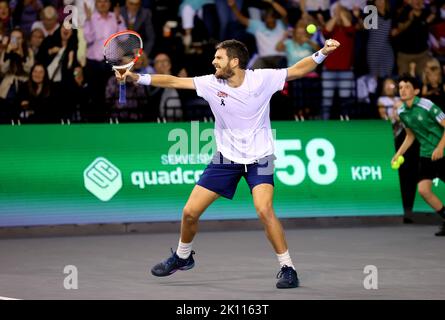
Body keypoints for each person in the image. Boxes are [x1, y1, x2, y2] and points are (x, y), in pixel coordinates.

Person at [116, 38, 340, 288]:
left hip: (260, 157)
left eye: (218, 58)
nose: (213, 61)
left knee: (264, 210)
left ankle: (288, 267)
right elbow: (173, 81)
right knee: (190, 213)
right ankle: (182, 256)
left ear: (234, 61)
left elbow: (298, 70)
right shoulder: (210, 83)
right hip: (226, 158)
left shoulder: (261, 79)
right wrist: (138, 78)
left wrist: (322, 52)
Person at [393, 75, 445, 236]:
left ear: (416, 90)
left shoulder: (427, 105)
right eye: (400, 87)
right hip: (426, 154)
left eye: (407, 86)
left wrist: (440, 148)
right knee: (423, 190)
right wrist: (398, 154)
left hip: (442, 151)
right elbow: (410, 136)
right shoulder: (402, 112)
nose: (403, 90)